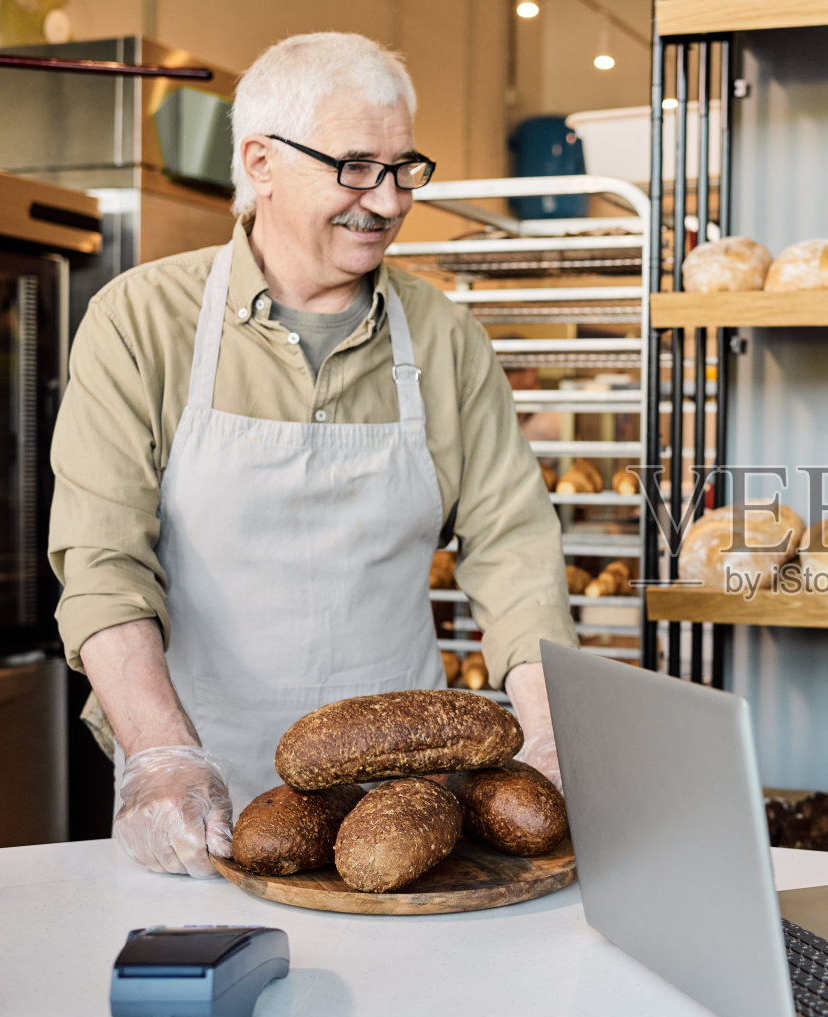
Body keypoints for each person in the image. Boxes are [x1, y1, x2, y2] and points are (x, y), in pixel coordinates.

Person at [48, 33, 576, 877]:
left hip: (406, 799)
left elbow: (514, 549)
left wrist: (550, 730)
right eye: (357, 166)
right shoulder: (140, 323)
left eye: (405, 168)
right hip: (200, 787)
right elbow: (102, 565)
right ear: (260, 162)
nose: (391, 200)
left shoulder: (442, 337)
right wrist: (159, 757)